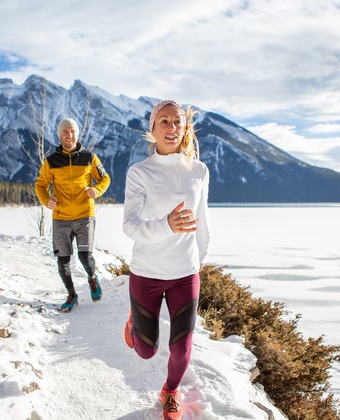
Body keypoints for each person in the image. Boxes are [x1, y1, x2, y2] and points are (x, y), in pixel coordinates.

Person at [122, 100, 210, 420]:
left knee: (181, 348)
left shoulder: (199, 171)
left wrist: (200, 258)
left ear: (185, 127)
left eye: (177, 122)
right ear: (152, 129)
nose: (171, 128)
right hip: (146, 272)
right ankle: (134, 323)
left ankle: (170, 391)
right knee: (145, 351)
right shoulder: (140, 173)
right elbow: (129, 226)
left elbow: (203, 219)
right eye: (164, 122)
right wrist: (166, 226)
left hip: (185, 274)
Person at [35, 117, 110, 312]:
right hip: (61, 217)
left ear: (77, 134)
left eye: (72, 132)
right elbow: (41, 184)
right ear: (59, 135)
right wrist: (46, 200)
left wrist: (97, 191)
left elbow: (105, 178)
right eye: (65, 132)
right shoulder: (51, 161)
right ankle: (71, 295)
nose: (69, 135)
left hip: (85, 214)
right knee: (63, 261)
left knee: (85, 256)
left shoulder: (89, 157)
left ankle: (92, 280)